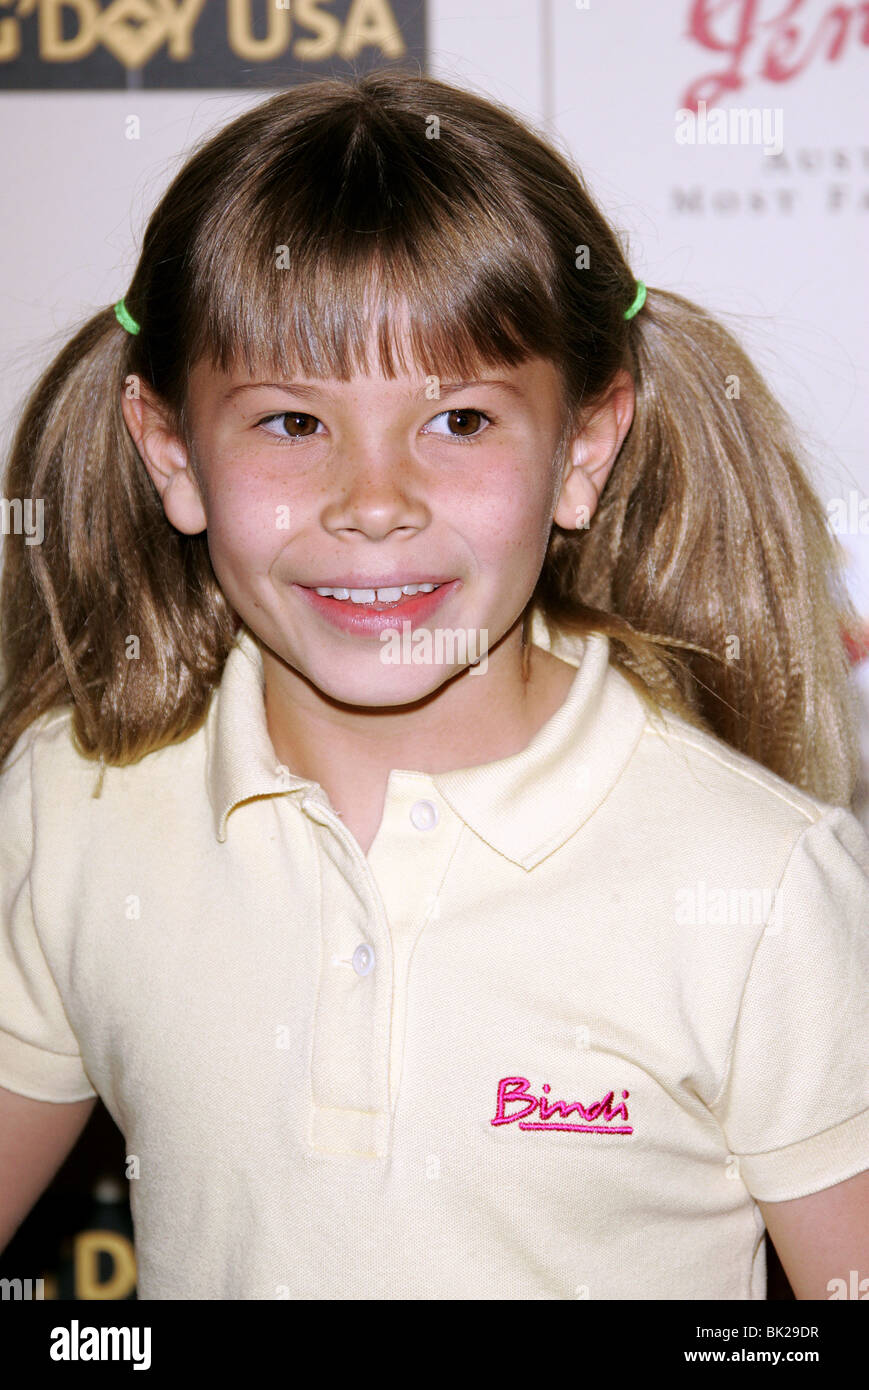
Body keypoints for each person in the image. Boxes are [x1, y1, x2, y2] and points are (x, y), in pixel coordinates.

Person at [0, 70, 866, 1301]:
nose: (372, 502)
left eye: (457, 420)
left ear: (581, 449)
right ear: (169, 454)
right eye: (291, 423)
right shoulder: (72, 806)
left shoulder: (762, 885)